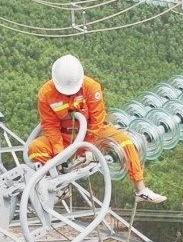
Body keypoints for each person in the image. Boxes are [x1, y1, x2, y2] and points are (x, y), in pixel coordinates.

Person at [28, 54, 166, 204]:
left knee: (125, 142)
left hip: (93, 132)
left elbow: (96, 121)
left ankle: (141, 189)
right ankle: (59, 187)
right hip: (64, 137)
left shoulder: (91, 87)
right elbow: (50, 126)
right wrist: (60, 155)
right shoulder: (46, 94)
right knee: (36, 148)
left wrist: (88, 149)